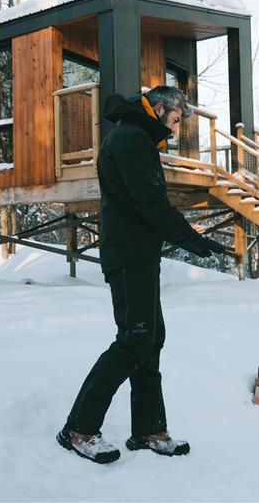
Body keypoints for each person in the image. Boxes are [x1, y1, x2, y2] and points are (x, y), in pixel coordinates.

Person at [56, 85, 226, 464]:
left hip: (141, 256)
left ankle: (149, 429)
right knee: (134, 340)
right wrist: (190, 238)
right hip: (128, 256)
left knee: (150, 339)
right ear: (161, 107)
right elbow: (150, 203)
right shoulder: (129, 139)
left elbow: (150, 204)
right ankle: (79, 429)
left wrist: (185, 238)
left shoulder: (138, 139)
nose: (176, 129)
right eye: (177, 119)